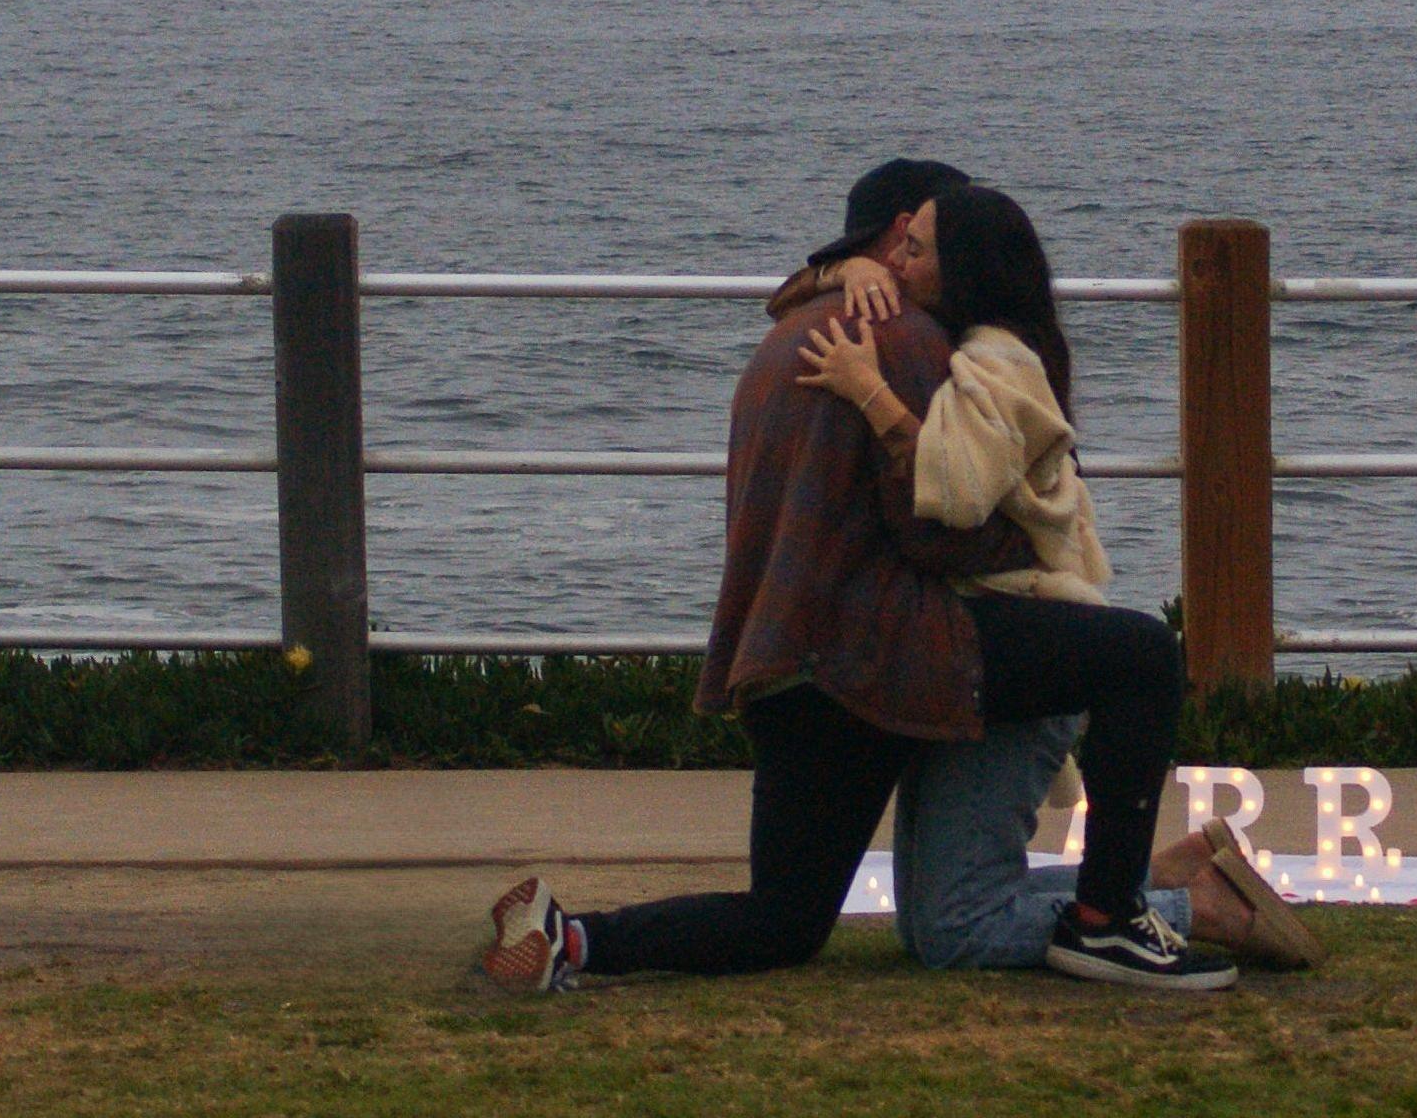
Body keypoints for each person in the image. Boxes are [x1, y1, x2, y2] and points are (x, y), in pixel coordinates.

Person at [482, 162, 1238, 995]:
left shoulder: (790, 332)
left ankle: (573, 937)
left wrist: (829, 273)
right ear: (897, 234)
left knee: (783, 917)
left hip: (781, 654)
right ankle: (1118, 914)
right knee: (1139, 655)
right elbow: (935, 528)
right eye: (913, 241)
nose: (913, 261)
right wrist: (1029, 550)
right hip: (875, 656)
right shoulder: (902, 343)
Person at [802, 182, 1317, 978]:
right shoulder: (973, 341)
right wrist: (844, 269)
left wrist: (867, 390)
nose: (895, 259)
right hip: (977, 640)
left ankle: (1195, 906)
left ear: (962, 267)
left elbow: (959, 491)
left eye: (914, 249)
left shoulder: (999, 361)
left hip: (1023, 638)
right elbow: (793, 292)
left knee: (955, 934)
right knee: (928, 923)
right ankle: (1167, 877)